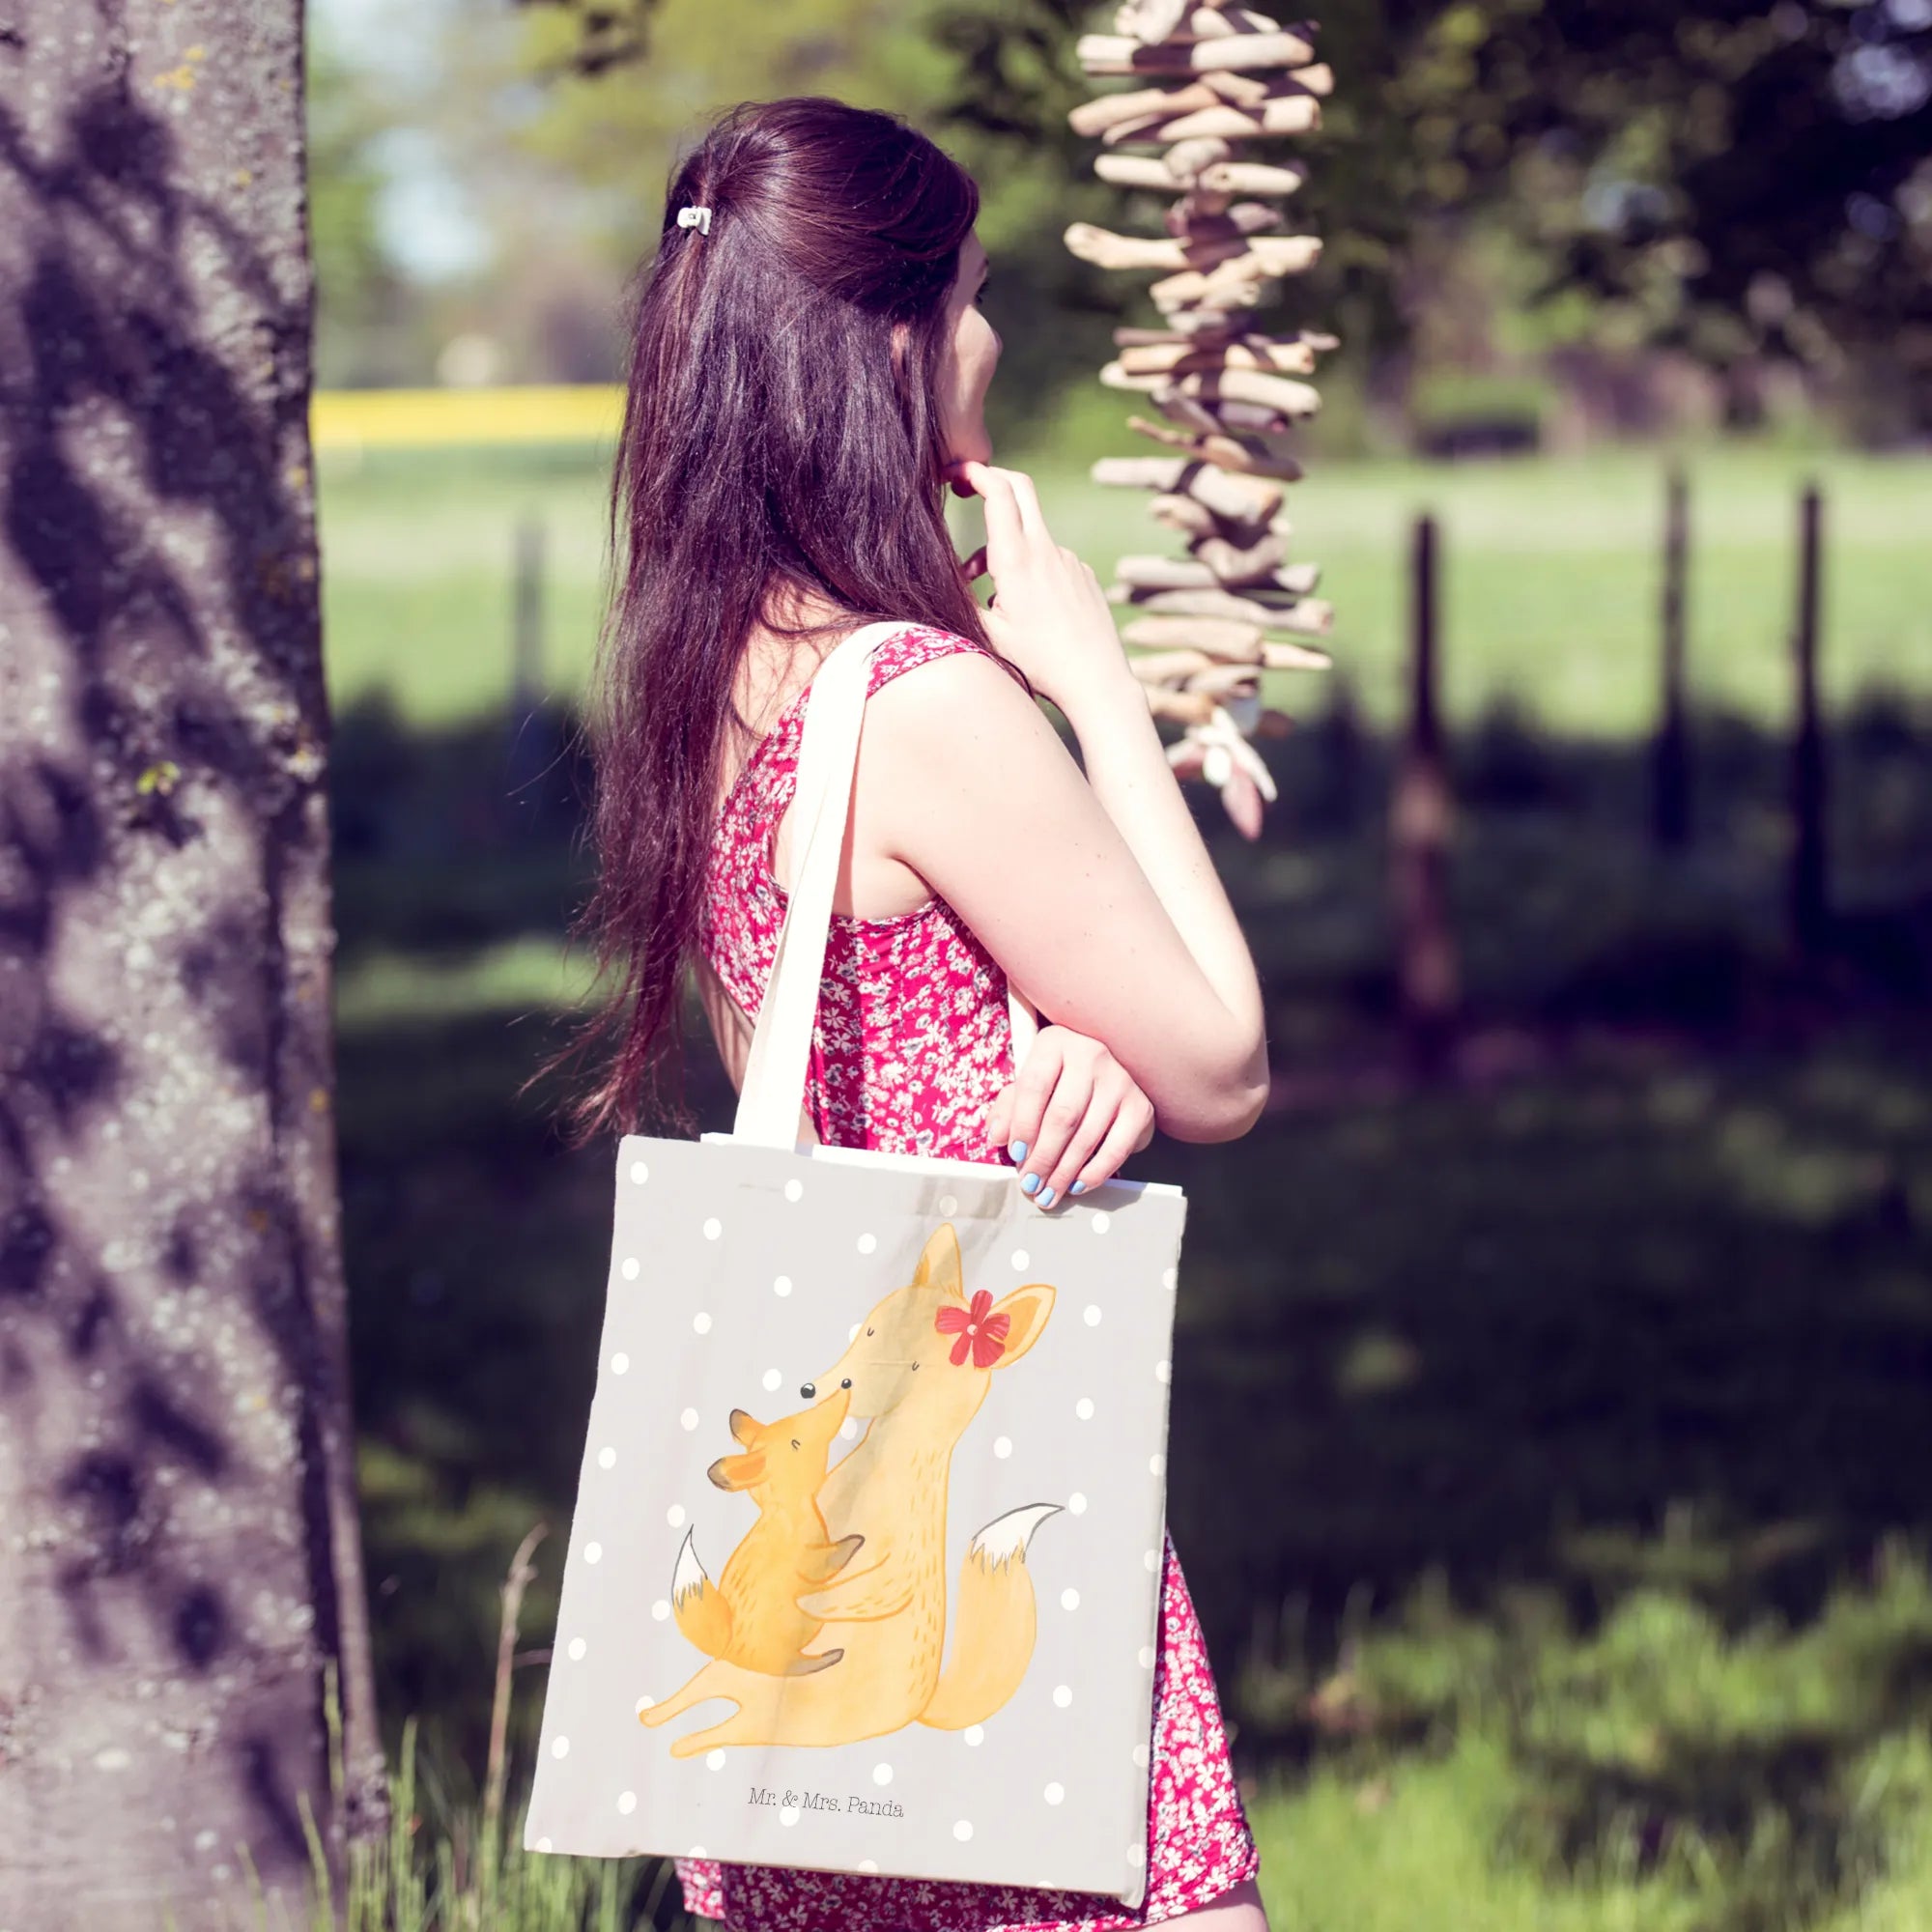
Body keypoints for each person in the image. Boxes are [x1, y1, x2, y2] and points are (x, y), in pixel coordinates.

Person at [551, 94, 1272, 1932]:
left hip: (812, 1616)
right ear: (887, 340)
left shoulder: (715, 672)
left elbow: (826, 1046)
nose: (990, 339)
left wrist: (1058, 1033)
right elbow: (1223, 1063)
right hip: (972, 1513)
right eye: (968, 296)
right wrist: (1099, 693)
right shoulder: (928, 705)